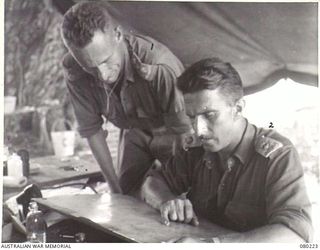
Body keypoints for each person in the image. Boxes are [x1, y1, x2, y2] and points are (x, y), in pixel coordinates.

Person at [143, 57, 313, 242]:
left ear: (238, 108)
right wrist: (166, 200)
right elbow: (152, 182)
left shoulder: (277, 156)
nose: (199, 130)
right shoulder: (196, 149)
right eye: (192, 117)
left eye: (210, 115)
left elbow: (295, 235)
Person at [60, 1, 192, 194]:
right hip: (134, 131)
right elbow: (92, 131)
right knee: (125, 194)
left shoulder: (159, 64)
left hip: (173, 131)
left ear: (118, 35)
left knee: (177, 195)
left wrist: (181, 191)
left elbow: (183, 132)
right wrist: (115, 189)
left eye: (106, 61)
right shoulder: (74, 70)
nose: (103, 75)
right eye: (90, 67)